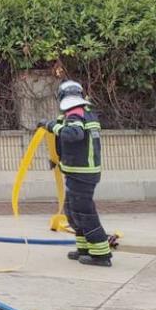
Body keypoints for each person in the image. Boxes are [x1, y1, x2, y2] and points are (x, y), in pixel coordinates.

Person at [42, 80, 111, 266]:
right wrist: (57, 160)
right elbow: (73, 144)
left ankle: (101, 255)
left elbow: (73, 135)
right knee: (73, 212)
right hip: (79, 172)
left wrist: (50, 126)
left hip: (82, 174)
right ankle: (84, 249)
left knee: (84, 213)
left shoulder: (75, 113)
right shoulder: (84, 112)